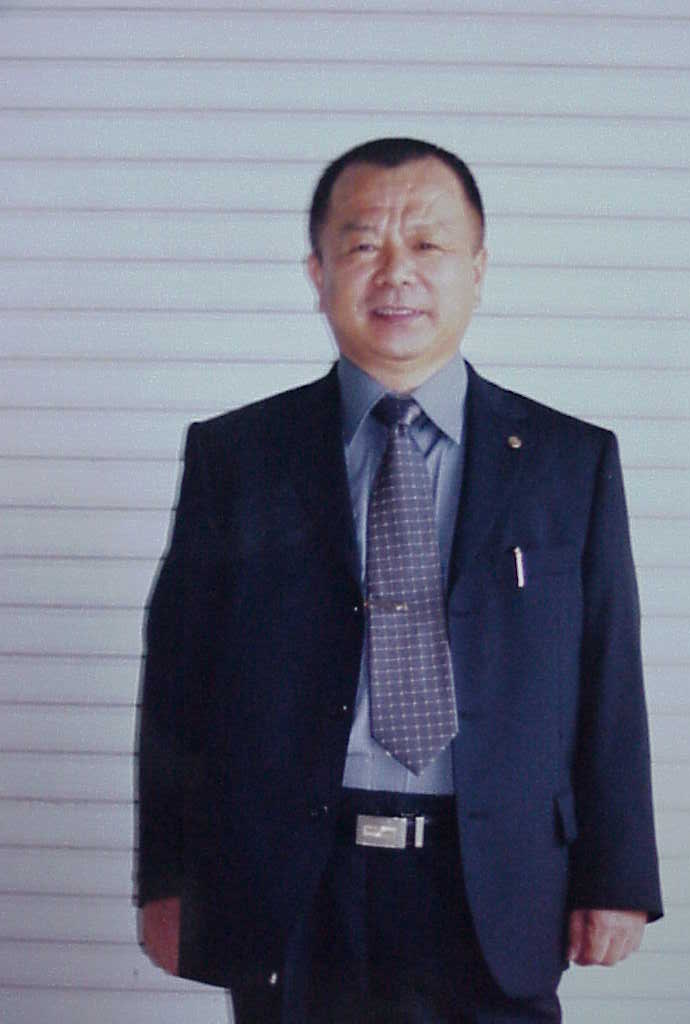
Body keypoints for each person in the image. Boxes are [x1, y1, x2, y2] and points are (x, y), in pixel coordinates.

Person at [136, 137, 663, 1023]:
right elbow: (180, 685)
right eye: (362, 245)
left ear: (478, 269)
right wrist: (169, 876)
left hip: (494, 882)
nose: (396, 273)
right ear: (318, 272)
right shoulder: (241, 456)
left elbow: (610, 681)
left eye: (427, 244)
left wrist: (618, 876)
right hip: (293, 881)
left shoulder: (569, 463)